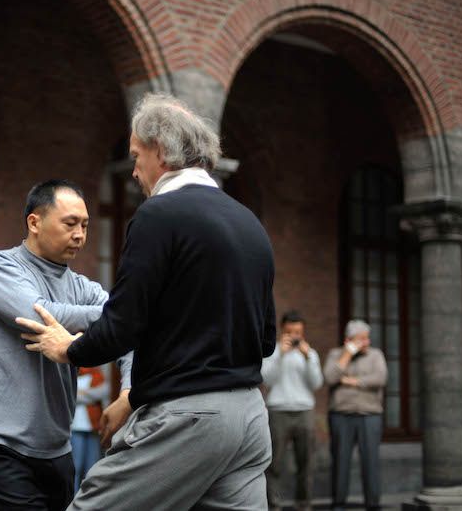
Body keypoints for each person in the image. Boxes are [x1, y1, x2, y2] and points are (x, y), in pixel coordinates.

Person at [16, 93, 277, 510]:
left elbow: (124, 324)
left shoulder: (158, 215)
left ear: (160, 150)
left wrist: (68, 348)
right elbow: (264, 341)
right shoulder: (250, 224)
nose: (134, 170)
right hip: (250, 419)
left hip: (188, 421)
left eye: (136, 155)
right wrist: (134, 398)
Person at [0, 179, 132, 511]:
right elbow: (39, 313)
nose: (80, 234)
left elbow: (130, 337)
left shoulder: (83, 288)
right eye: (70, 223)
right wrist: (118, 314)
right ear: (34, 222)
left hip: (56, 450)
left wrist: (128, 392)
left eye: (84, 225)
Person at [261, 310, 324, 511]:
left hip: (304, 411)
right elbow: (266, 380)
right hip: (278, 411)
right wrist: (280, 354)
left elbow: (316, 383)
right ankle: (274, 505)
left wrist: (308, 358)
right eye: (291, 332)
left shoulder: (310, 353)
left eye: (298, 332)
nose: (295, 336)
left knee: (306, 464)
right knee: (274, 464)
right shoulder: (273, 352)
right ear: (283, 330)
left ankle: (304, 505)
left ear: (303, 332)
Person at [323, 319, 388, 511]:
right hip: (341, 415)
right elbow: (329, 377)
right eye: (361, 339)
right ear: (348, 340)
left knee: (371, 461)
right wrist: (347, 354)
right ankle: (338, 503)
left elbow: (380, 378)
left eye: (367, 338)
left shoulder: (376, 355)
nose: (366, 342)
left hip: (370, 415)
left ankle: (373, 504)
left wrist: (352, 381)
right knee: (340, 461)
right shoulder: (336, 354)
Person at [70, 366, 108, 493]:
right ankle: (73, 499)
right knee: (76, 467)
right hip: (75, 428)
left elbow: (103, 392)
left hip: (93, 427)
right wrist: (89, 395)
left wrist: (80, 393)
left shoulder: (95, 373)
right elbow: (69, 395)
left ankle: (90, 497)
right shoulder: (70, 372)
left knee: (92, 467)